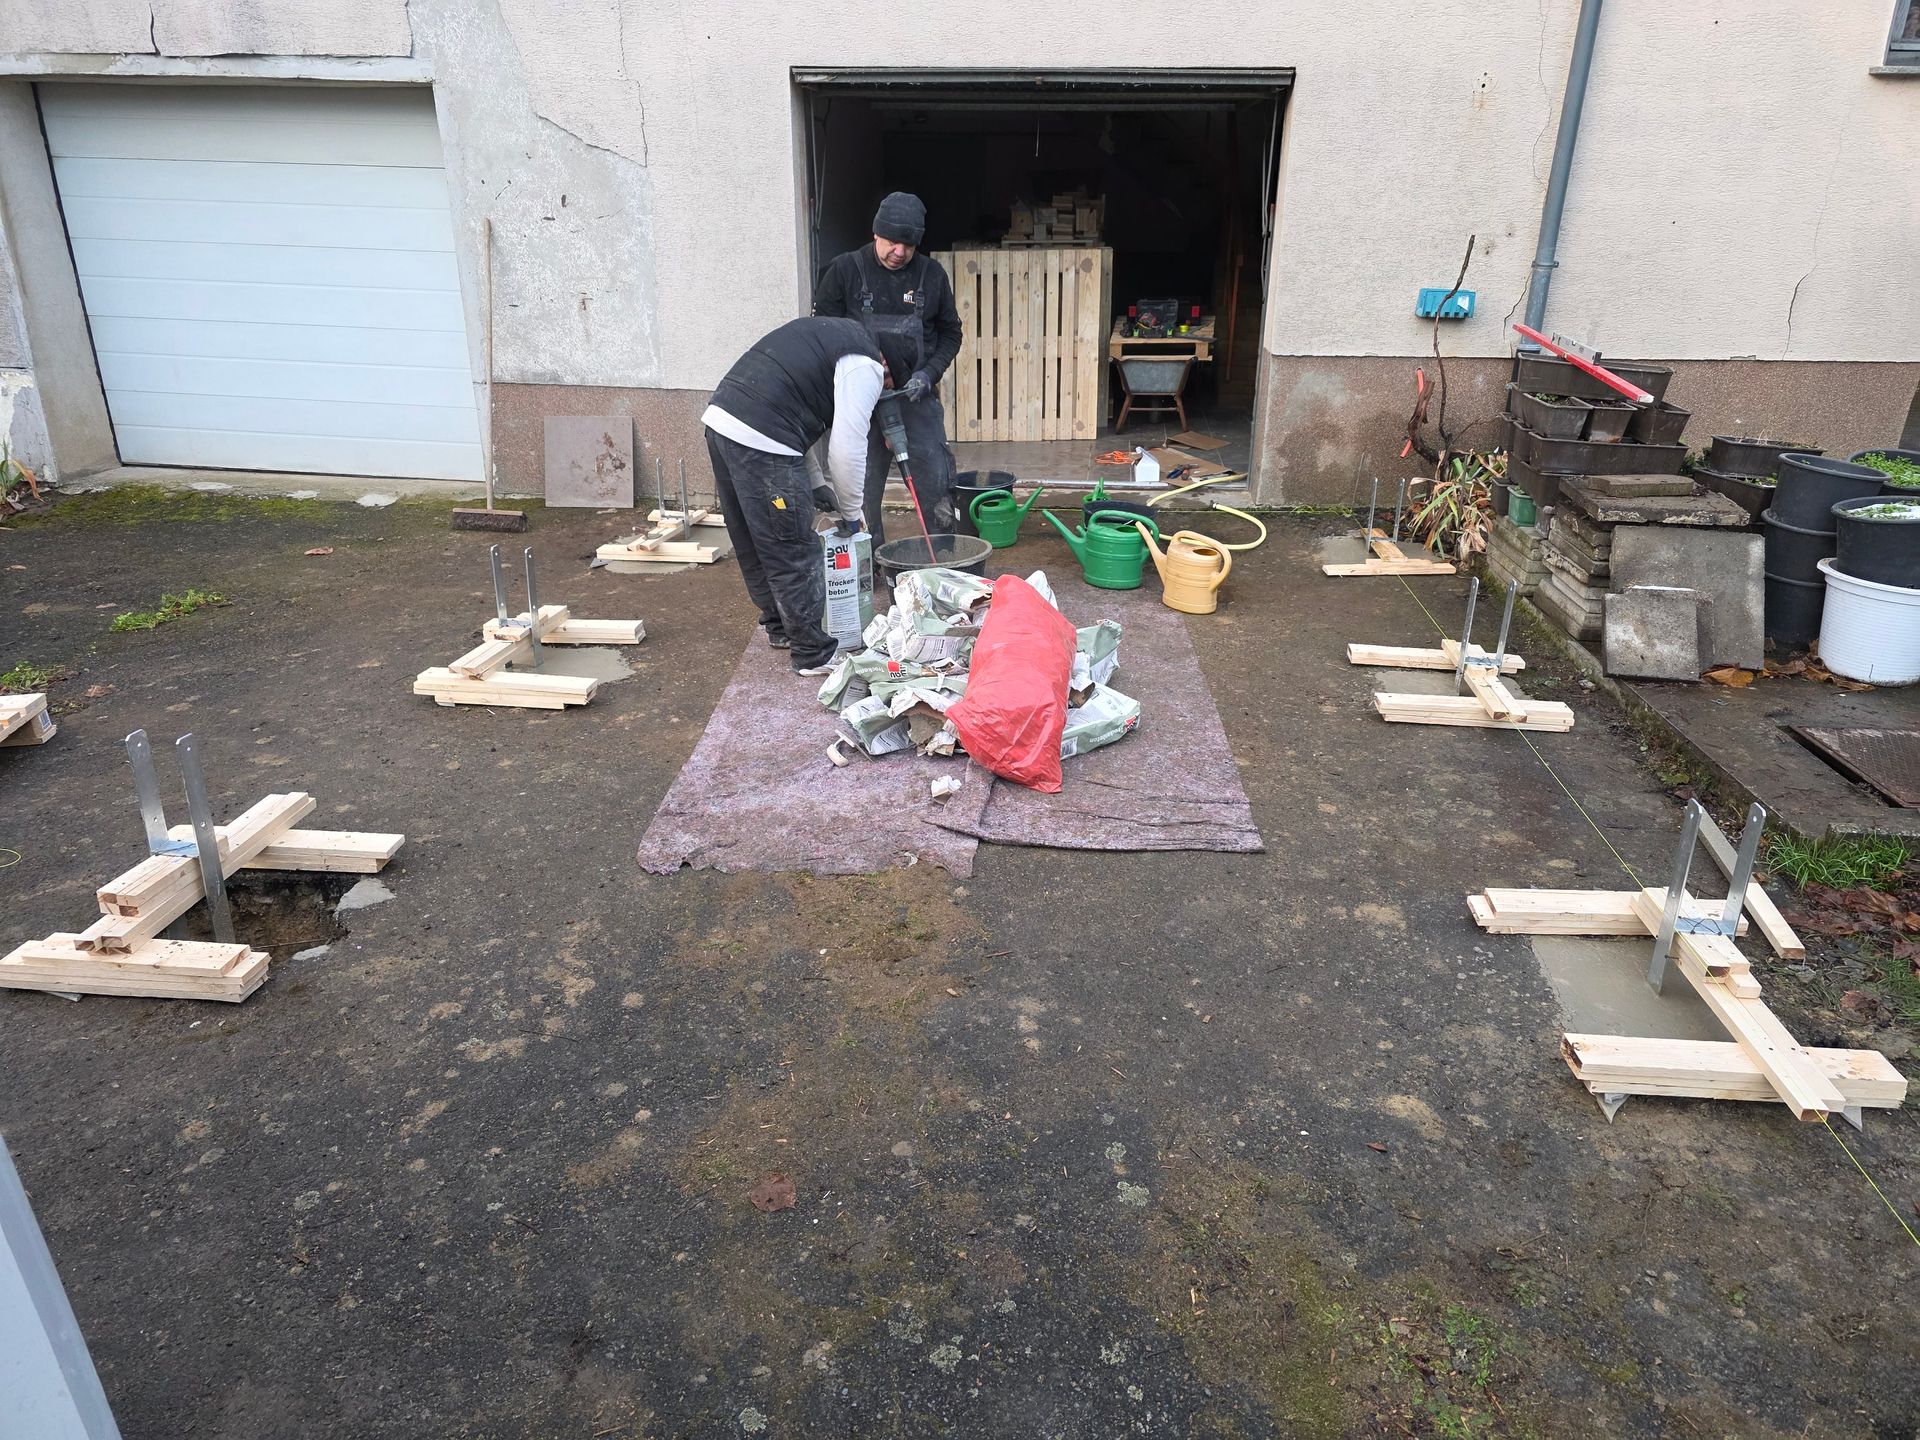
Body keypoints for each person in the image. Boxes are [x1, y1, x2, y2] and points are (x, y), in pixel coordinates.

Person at [702, 316, 915, 675]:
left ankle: (780, 627)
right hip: (763, 434)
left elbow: (800, 414)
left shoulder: (835, 339)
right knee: (793, 548)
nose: (883, 390)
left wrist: (816, 484)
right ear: (886, 364)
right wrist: (852, 513)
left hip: (723, 421)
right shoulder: (866, 366)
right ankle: (812, 653)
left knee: (754, 538)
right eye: (890, 382)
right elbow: (846, 449)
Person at [813, 191, 964, 542]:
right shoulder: (844, 271)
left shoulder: (931, 276)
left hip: (915, 399)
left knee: (936, 485)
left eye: (909, 245)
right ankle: (868, 566)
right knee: (859, 493)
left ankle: (943, 558)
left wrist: (928, 374)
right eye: (894, 242)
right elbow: (820, 334)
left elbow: (951, 334)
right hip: (859, 405)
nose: (901, 252)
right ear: (876, 233)